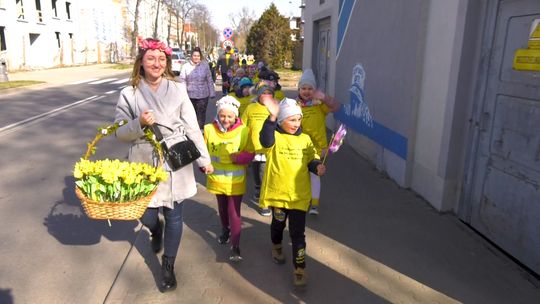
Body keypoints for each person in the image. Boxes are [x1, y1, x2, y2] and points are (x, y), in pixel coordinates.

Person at [114, 37, 214, 293]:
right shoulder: (129, 93)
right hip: (144, 163)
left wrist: (204, 159)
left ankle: (168, 265)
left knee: (175, 214)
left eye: (161, 59)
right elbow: (120, 133)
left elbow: (192, 126)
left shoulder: (178, 89)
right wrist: (139, 123)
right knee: (145, 212)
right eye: (151, 58)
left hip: (175, 159)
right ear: (141, 62)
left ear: (167, 62)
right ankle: (154, 228)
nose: (156, 63)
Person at [258, 97, 326, 287]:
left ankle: (300, 268)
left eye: (299, 119)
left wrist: (317, 166)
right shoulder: (274, 138)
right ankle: (277, 246)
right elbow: (265, 138)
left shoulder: (305, 140)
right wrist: (272, 117)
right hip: (278, 195)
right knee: (278, 225)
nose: (296, 124)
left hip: (299, 196)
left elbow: (311, 160)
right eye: (291, 120)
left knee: (298, 234)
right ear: (281, 121)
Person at [203, 96, 254, 262]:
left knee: (234, 212)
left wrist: (239, 158)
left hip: (235, 182)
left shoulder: (244, 131)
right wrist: (203, 165)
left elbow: (250, 152)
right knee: (222, 209)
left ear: (236, 116)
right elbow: (202, 152)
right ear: (218, 115)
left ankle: (235, 246)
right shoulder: (209, 129)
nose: (226, 119)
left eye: (230, 116)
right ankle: (225, 230)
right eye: (222, 115)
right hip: (217, 180)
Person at [296, 69, 340, 215]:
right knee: (301, 175)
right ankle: (301, 200)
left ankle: (314, 204)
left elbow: (336, 107)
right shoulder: (294, 105)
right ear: (299, 89)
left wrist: (324, 97)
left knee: (315, 175)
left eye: (310, 89)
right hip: (299, 148)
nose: (306, 91)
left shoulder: (319, 104)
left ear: (314, 90)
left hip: (318, 148)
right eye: (303, 88)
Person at [241, 83, 275, 216]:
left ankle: (264, 201)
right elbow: (243, 125)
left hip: (267, 148)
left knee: (264, 173)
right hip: (252, 146)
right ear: (258, 95)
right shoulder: (251, 107)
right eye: (263, 93)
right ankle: (257, 186)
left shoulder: (275, 108)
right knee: (256, 169)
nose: (266, 96)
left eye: (269, 93)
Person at [179, 47, 216, 130]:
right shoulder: (185, 66)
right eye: (194, 55)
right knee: (191, 115)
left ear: (200, 57)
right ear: (191, 56)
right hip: (190, 95)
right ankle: (191, 132)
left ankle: (200, 131)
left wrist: (212, 92)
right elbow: (182, 81)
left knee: (201, 115)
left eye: (198, 56)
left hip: (203, 95)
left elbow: (209, 79)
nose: (196, 57)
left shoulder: (205, 65)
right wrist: (182, 94)